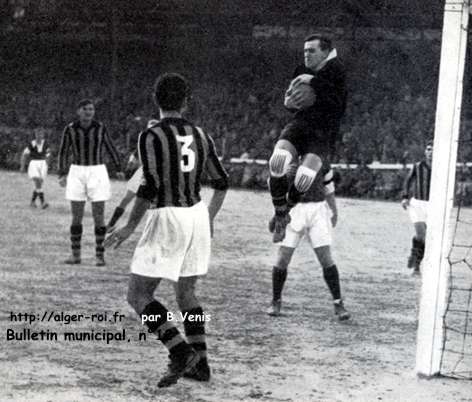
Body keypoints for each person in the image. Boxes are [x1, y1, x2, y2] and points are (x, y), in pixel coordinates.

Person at [104, 73, 229, 388]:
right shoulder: (200, 134)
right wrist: (209, 217)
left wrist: (129, 226)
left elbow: (151, 184)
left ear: (155, 99)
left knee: (138, 294)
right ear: (186, 100)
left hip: (168, 216)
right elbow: (222, 182)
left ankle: (180, 351)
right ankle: (201, 365)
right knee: (186, 292)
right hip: (197, 214)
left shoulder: (151, 135)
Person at [268, 34, 346, 243]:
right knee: (277, 162)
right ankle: (280, 212)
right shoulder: (300, 70)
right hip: (300, 125)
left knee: (304, 177)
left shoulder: (337, 71)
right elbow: (288, 99)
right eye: (304, 51)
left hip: (323, 132)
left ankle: (284, 212)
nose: (306, 55)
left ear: (325, 52)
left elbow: (338, 105)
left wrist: (313, 81)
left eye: (311, 51)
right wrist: (290, 102)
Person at [268, 158, 350, 320]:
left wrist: (334, 211)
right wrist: (278, 215)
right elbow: (276, 188)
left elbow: (329, 188)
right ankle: (276, 301)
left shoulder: (322, 160)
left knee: (326, 258)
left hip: (318, 210)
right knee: (283, 258)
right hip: (294, 210)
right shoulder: (287, 158)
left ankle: (338, 303)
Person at [57, 99, 125, 266]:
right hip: (77, 171)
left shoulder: (100, 127)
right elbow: (63, 152)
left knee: (99, 215)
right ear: (78, 111)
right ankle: (75, 255)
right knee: (76, 216)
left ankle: (100, 255)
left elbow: (110, 146)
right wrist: (62, 173)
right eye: (86, 109)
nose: (89, 112)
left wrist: (118, 167)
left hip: (97, 171)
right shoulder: (70, 129)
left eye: (91, 109)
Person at [106, 119, 159, 231]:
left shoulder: (161, 143)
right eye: (149, 128)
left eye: (154, 128)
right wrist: (131, 162)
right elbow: (135, 154)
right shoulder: (144, 140)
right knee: (126, 199)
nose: (151, 130)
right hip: (141, 173)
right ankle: (111, 225)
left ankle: (153, 230)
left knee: (154, 205)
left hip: (155, 174)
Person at [401, 141, 433, 275]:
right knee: (422, 234)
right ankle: (416, 267)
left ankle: (414, 257)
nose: (431, 152)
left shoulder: (442, 168)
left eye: (433, 150)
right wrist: (405, 197)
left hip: (433, 205)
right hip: (418, 204)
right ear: (425, 151)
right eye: (429, 149)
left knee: (427, 238)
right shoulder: (418, 166)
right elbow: (407, 181)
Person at [20, 127, 51, 209]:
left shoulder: (46, 144)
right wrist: (22, 166)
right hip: (34, 163)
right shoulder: (32, 144)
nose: (39, 136)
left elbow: (48, 155)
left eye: (40, 134)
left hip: (43, 164)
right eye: (37, 134)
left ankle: (33, 202)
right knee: (38, 181)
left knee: (39, 184)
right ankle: (43, 202)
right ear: (35, 135)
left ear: (43, 135)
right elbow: (24, 155)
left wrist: (47, 164)